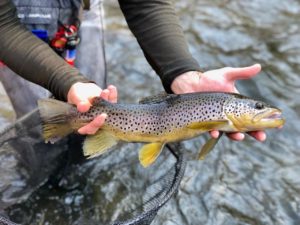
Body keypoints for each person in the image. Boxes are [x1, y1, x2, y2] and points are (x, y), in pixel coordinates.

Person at [0, 0, 266, 142]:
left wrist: (182, 72)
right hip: (14, 16)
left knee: (92, 109)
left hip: (81, 6)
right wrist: (67, 81)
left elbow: (143, 3)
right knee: (41, 128)